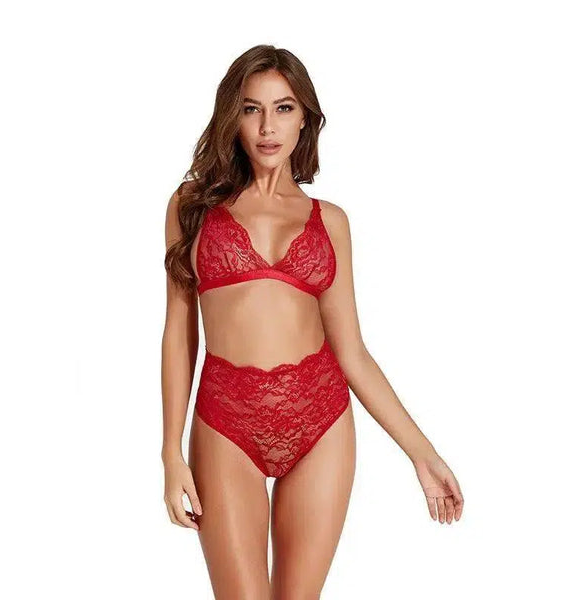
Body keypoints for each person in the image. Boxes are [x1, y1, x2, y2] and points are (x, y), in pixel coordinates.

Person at [161, 45, 464, 599]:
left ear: (305, 118)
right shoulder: (192, 206)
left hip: (320, 419)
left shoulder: (331, 222)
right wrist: (170, 451)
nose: (267, 127)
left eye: (284, 108)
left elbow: (353, 353)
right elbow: (179, 333)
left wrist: (423, 454)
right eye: (252, 109)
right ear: (232, 116)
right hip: (226, 420)